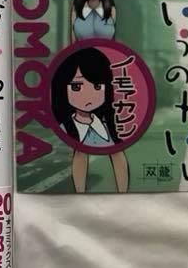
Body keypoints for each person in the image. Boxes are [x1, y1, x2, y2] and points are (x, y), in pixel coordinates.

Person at [50, 46, 129, 193]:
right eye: (76, 86)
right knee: (80, 152)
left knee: (116, 152)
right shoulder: (65, 128)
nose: (88, 96)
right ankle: (80, 192)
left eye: (97, 86)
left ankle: (123, 192)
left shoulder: (107, 129)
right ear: (62, 88)